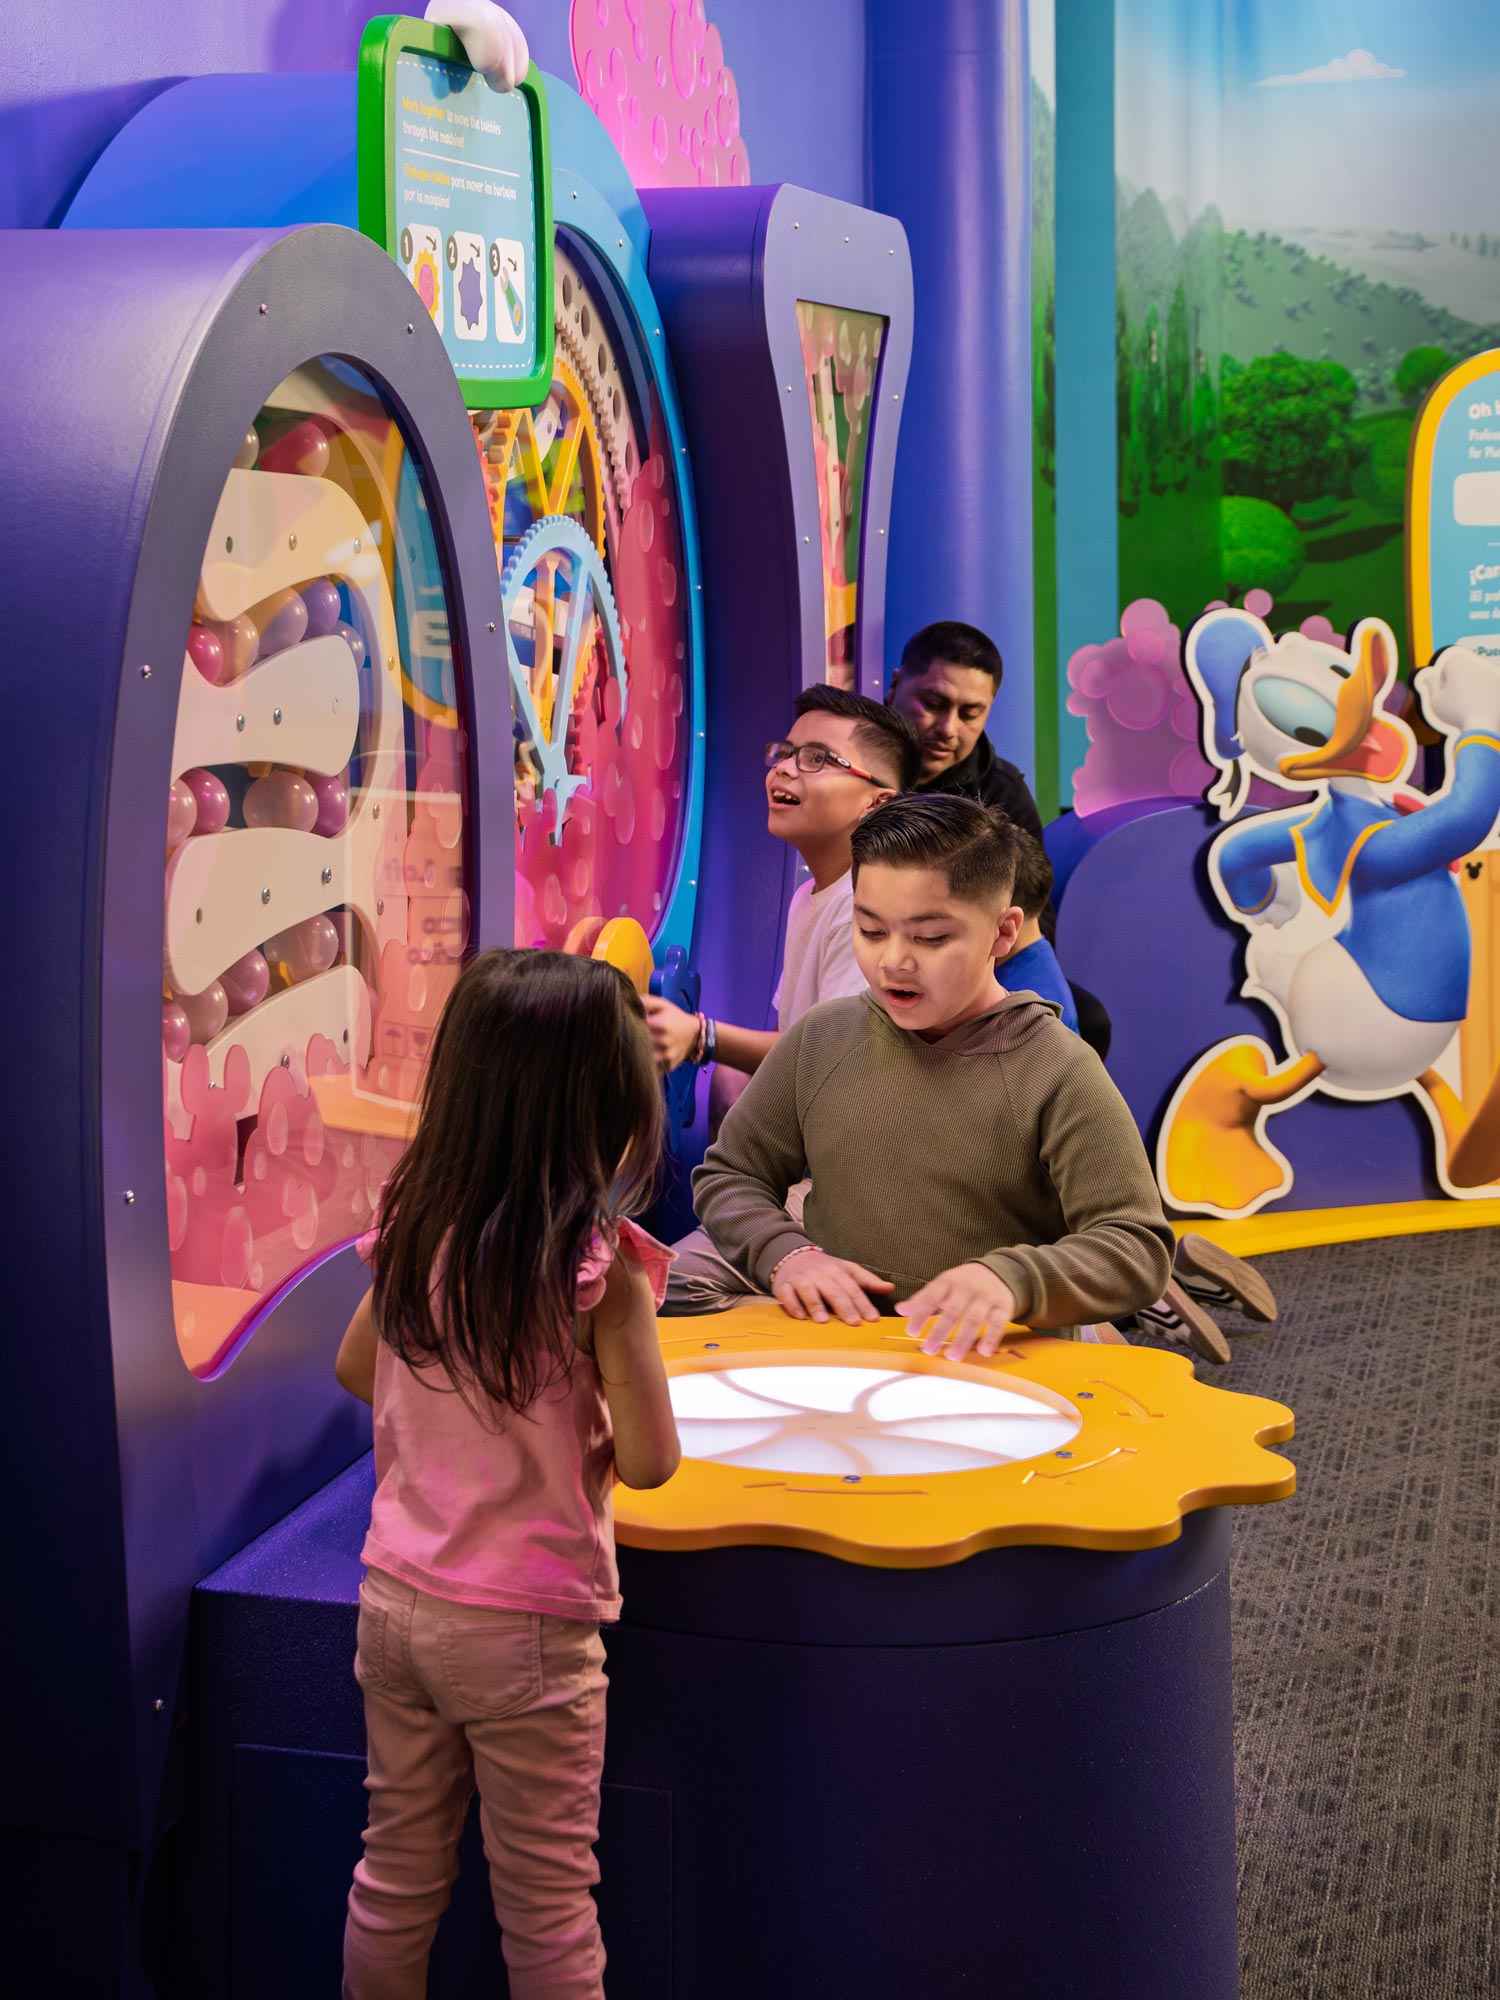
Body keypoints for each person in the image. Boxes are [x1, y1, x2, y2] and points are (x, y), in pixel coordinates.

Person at [334, 949, 681, 2000]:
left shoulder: (414, 1230)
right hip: (527, 1626)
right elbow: (656, 1459)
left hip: (394, 1600)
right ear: (605, 1105)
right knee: (546, 1906)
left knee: (392, 1875)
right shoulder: (599, 1273)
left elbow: (357, 1367)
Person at [674, 794, 1175, 1347]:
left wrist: (1012, 1280)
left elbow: (1136, 1246)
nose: (894, 961)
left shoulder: (1056, 1067)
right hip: (849, 1350)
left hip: (999, 1367)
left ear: (1003, 933)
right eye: (870, 931)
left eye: (931, 938)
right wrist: (786, 1255)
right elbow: (731, 1174)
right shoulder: (821, 1037)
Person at [997, 826, 1277, 1364]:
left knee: (1072, 1276)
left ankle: (1152, 1293)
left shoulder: (1021, 1001)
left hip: (1055, 1195)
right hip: (1078, 1181)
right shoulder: (1037, 973)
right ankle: (1174, 1273)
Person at [642, 684, 921, 1114]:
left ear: (876, 802)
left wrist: (702, 1036)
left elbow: (828, 1061)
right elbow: (792, 1037)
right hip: (811, 1116)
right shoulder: (808, 896)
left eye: (816, 758)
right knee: (732, 1081)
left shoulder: (869, 912)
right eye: (786, 752)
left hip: (851, 1148)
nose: (785, 769)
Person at [888, 620, 1111, 1058]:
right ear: (896, 684)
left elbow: (1033, 916)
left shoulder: (1004, 794)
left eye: (970, 713)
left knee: (1086, 1021)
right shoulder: (851, 762)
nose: (948, 728)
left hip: (969, 971)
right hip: (873, 957)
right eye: (932, 703)